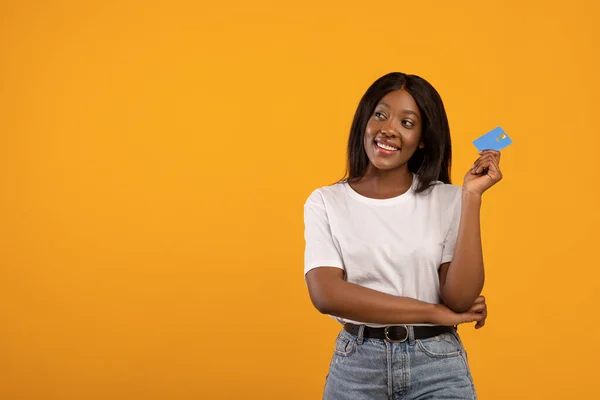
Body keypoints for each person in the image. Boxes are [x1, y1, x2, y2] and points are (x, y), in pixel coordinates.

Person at [303, 72, 503, 399]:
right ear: (364, 122)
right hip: (358, 367)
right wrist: (432, 311)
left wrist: (471, 197)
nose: (389, 128)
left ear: (423, 138)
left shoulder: (448, 199)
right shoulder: (326, 201)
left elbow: (460, 299)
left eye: (407, 123)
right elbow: (327, 295)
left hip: (437, 363)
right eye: (380, 115)